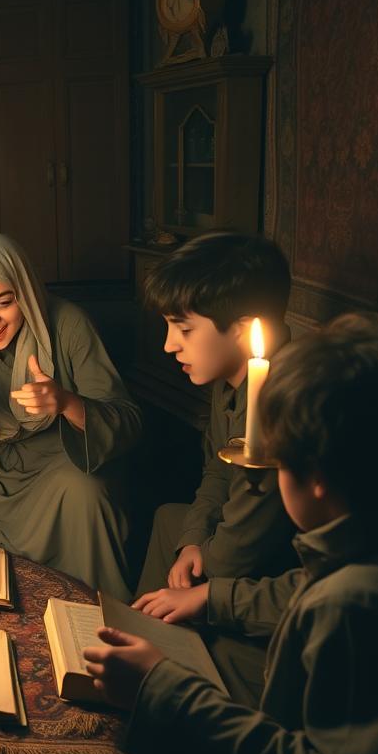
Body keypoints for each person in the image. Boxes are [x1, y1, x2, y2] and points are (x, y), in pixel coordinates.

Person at [76, 311, 378, 754]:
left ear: (312, 478)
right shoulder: (356, 553)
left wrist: (164, 687)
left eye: (279, 464)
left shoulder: (353, 603)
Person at [0, 232, 141, 600]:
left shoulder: (70, 324)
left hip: (61, 459)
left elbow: (128, 421)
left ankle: (89, 616)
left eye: (4, 302)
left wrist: (65, 402)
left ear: (24, 289)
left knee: (84, 491)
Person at [132, 233, 296, 703]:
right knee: (171, 521)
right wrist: (192, 539)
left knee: (197, 586)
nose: (168, 345)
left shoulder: (281, 399)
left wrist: (205, 572)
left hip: (277, 568)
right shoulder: (230, 378)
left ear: (243, 329)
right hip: (238, 539)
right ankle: (145, 641)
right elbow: (217, 470)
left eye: (183, 330)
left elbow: (245, 542)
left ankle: (166, 675)